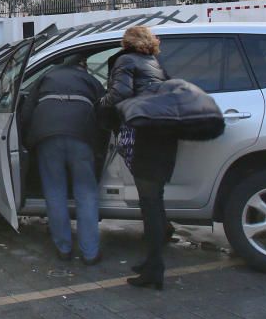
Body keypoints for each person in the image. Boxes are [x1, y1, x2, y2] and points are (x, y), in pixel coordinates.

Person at [101, 25, 173, 290]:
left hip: (145, 136)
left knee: (150, 203)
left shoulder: (125, 60)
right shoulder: (155, 62)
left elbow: (118, 95)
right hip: (163, 134)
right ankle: (152, 262)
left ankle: (154, 270)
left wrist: (99, 105)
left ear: (126, 42)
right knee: (155, 200)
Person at [23, 54, 105, 265]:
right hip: (81, 135)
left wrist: (27, 141)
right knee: (86, 192)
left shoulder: (47, 76)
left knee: (54, 191)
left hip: (47, 136)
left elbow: (26, 112)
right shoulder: (90, 80)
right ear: (83, 65)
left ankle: (64, 248)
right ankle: (90, 252)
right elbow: (106, 110)